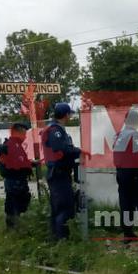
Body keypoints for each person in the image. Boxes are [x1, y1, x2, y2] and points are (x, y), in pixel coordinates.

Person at [42, 103, 88, 240]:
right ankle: (62, 241)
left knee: (58, 209)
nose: (70, 116)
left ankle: (56, 239)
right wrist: (79, 151)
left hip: (60, 174)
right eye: (69, 114)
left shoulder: (56, 129)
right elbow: (62, 148)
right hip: (59, 174)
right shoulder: (56, 130)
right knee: (65, 208)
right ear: (66, 114)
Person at [113, 110, 138, 244]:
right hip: (136, 173)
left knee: (126, 203)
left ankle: (128, 233)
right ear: (137, 122)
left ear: (125, 121)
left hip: (121, 173)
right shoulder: (136, 136)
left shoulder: (118, 136)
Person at [0, 122, 34, 229]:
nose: (25, 136)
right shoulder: (11, 145)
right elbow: (16, 164)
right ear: (18, 133)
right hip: (14, 181)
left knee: (20, 203)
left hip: (18, 181)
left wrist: (30, 163)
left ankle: (15, 227)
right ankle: (12, 229)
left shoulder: (17, 145)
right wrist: (28, 166)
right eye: (24, 133)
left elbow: (21, 161)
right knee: (13, 206)